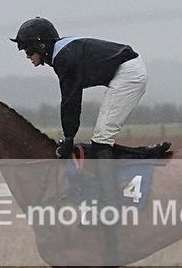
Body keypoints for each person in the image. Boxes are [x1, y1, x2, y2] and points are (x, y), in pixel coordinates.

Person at [9, 17, 148, 161]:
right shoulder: (63, 51)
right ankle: (136, 157)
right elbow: (71, 98)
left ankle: (107, 184)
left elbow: (71, 99)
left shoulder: (64, 57)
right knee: (101, 140)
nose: (27, 56)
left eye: (28, 50)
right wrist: (69, 136)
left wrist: (69, 138)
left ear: (41, 45)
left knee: (101, 140)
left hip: (129, 74)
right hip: (128, 70)